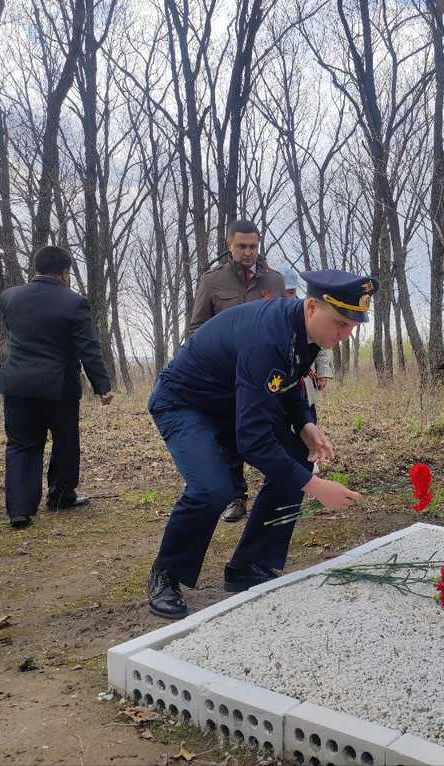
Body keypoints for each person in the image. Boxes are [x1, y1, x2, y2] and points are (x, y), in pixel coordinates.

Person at [145, 270, 372, 620]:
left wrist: (306, 424)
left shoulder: (306, 330)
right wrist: (315, 487)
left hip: (233, 401)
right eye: (341, 323)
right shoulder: (266, 338)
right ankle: (166, 574)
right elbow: (253, 441)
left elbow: (291, 381)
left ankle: (249, 566)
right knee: (213, 488)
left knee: (298, 454)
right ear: (312, 307)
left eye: (352, 327)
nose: (344, 336)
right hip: (185, 402)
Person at [0, 246, 113, 529]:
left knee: (21, 445)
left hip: (18, 384)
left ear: (37, 268)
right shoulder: (74, 303)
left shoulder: (9, 297)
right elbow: (88, 347)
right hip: (59, 386)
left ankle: (20, 510)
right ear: (65, 273)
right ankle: (61, 496)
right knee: (65, 441)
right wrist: (102, 386)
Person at [188, 220, 285, 523]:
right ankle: (236, 497)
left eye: (253, 246)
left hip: (264, 375)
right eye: (241, 246)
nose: (248, 252)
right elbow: (197, 328)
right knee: (229, 436)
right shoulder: (212, 281)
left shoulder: (274, 281)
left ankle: (277, 493)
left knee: (268, 431)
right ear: (229, 245)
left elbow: (283, 324)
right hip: (226, 376)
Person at [282, 269, 333, 423]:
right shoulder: (274, 313)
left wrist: (322, 371)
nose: (288, 296)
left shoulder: (307, 311)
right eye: (285, 292)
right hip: (280, 380)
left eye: (291, 291)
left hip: (304, 378)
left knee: (308, 418)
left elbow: (319, 344)